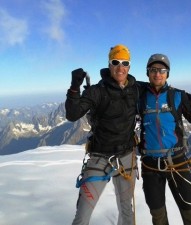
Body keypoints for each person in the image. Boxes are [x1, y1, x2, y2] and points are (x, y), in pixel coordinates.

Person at [138, 53, 191, 225]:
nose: (157, 74)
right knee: (157, 215)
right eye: (153, 70)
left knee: (190, 212)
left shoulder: (178, 96)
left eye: (162, 70)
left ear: (167, 73)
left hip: (177, 161)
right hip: (150, 164)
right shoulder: (139, 97)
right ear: (148, 73)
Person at [65, 44, 139, 225]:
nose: (120, 67)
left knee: (127, 211)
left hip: (127, 158)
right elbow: (73, 114)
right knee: (82, 215)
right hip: (100, 158)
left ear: (129, 66)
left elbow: (158, 90)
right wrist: (75, 86)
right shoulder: (96, 91)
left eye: (125, 63)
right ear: (109, 64)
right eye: (116, 62)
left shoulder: (137, 89)